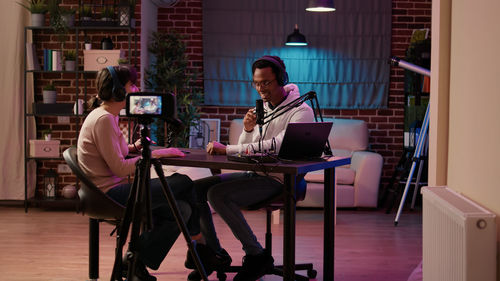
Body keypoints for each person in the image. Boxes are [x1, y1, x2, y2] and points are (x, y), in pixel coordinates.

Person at [77, 65, 227, 281]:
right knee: (185, 183)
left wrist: (134, 147)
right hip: (108, 194)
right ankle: (200, 246)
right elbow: (119, 168)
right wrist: (156, 155)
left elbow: (113, 152)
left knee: (182, 209)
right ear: (119, 90)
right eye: (132, 84)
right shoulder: (103, 119)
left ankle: (134, 263)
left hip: (111, 189)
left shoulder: (107, 116)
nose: (136, 89)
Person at [197, 56, 314, 281]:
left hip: (281, 181)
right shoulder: (261, 108)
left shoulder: (301, 110)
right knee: (196, 189)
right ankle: (213, 254)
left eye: (266, 83)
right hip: (256, 173)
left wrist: (227, 149)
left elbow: (279, 145)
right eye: (257, 83)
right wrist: (248, 129)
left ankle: (256, 255)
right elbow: (246, 147)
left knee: (217, 194)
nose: (261, 88)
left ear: (281, 79)